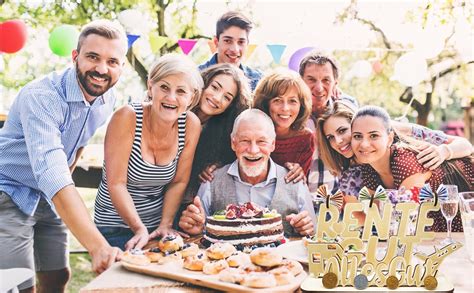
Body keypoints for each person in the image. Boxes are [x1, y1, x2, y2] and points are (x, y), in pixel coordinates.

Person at [0, 20, 128, 292]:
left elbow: (77, 142)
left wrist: (67, 172)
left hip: (47, 195)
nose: (102, 69)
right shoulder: (43, 97)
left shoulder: (107, 99)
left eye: (112, 61)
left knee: (58, 276)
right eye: (93, 57)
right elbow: (51, 172)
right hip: (9, 189)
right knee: (17, 285)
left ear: (122, 67)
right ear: (75, 57)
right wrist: (98, 247)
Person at [94, 54, 203, 251]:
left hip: (156, 226)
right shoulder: (127, 117)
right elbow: (116, 183)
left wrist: (166, 224)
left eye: (180, 91)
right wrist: (138, 228)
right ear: (150, 86)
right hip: (114, 227)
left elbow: (179, 181)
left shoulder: (190, 125)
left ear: (192, 97)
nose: (171, 97)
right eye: (164, 87)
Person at [178, 109, 316, 237]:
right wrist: (196, 228)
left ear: (272, 144)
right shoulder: (211, 181)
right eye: (245, 141)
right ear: (233, 143)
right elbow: (199, 229)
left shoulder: (295, 182)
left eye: (261, 141)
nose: (253, 150)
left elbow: (313, 233)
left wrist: (306, 229)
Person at [351, 105, 474, 232]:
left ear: (389, 139)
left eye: (373, 136)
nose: (364, 144)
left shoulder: (405, 162)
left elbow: (405, 222)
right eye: (357, 136)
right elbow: (375, 218)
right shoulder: (368, 167)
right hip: (439, 229)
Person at [316, 100, 473, 196]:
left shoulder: (400, 137)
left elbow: (466, 145)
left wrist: (444, 151)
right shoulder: (359, 167)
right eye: (330, 137)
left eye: (343, 131)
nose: (338, 141)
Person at [186, 64, 251, 198]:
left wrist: (212, 168)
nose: (217, 98)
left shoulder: (222, 136)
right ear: (204, 83)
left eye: (227, 97)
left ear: (230, 106)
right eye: (215, 87)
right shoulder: (177, 112)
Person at [299, 52, 358, 194]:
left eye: (326, 80)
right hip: (302, 202)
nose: (319, 88)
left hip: (340, 200)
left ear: (335, 84)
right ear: (301, 81)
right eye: (311, 80)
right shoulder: (291, 112)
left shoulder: (348, 106)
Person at [253, 69, 314, 180]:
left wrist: (299, 173)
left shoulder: (305, 139)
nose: (285, 108)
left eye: (292, 101)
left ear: (301, 105)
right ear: (266, 103)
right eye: (277, 100)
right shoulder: (250, 131)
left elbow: (298, 187)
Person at [198, 11, 262, 91]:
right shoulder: (197, 76)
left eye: (241, 42)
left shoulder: (257, 80)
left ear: (247, 44)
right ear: (216, 42)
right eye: (228, 41)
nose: (235, 49)